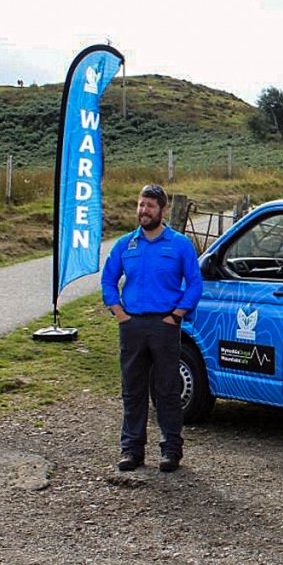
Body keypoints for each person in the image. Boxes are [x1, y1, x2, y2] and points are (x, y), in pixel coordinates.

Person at [101, 184, 203, 472]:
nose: (144, 211)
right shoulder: (125, 244)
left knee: (167, 390)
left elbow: (195, 283)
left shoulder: (180, 244)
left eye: (150, 206)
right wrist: (119, 312)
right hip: (132, 325)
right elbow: (108, 280)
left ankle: (171, 450)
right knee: (132, 390)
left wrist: (177, 314)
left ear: (162, 210)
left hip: (164, 326)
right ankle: (131, 450)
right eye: (141, 205)